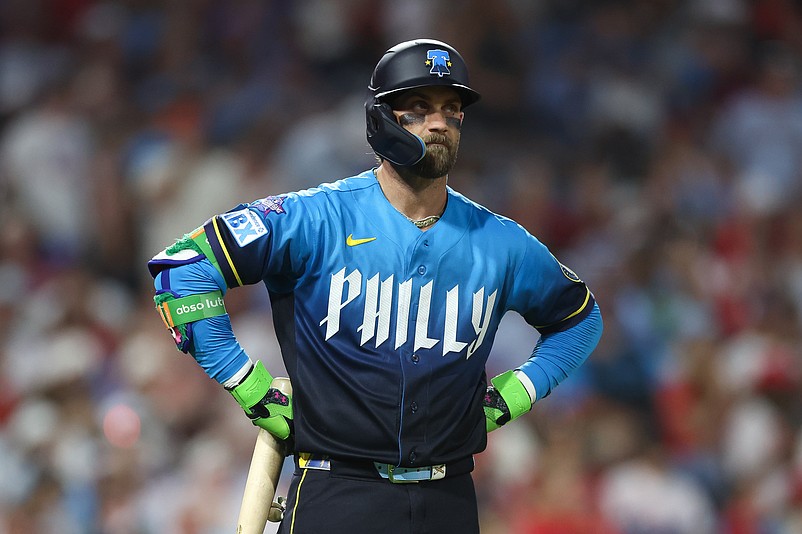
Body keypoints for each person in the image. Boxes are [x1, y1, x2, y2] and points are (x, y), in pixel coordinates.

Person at [148, 38, 603, 534]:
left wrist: (516, 393)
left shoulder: (501, 242)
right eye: (420, 107)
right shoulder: (313, 217)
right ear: (380, 119)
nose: (439, 123)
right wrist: (247, 384)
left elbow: (579, 321)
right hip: (336, 490)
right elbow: (182, 267)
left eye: (452, 109)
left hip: (448, 498)